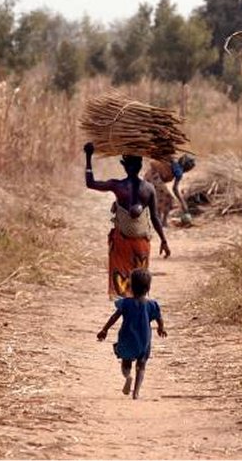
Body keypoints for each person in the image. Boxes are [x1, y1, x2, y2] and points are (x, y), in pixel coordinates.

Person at [84, 142, 170, 299]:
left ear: (124, 166)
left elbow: (90, 183)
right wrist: (164, 241)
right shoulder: (149, 188)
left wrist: (88, 156)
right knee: (139, 282)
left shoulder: (118, 186)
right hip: (141, 243)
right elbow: (155, 217)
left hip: (122, 242)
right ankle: (139, 311)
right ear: (139, 166)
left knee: (121, 281)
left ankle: (125, 312)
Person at [97, 268, 166, 399]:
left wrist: (104, 329)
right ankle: (136, 392)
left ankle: (128, 377)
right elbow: (159, 318)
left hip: (127, 336)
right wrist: (161, 328)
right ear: (148, 287)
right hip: (144, 338)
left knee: (126, 362)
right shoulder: (152, 304)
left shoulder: (125, 303)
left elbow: (114, 317)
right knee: (142, 364)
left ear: (131, 286)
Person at [143, 154, 196, 226]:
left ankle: (162, 221)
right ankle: (160, 221)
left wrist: (182, 202)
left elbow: (174, 188)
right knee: (166, 197)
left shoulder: (174, 165)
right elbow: (175, 189)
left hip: (149, 176)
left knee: (166, 198)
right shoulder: (177, 170)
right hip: (153, 178)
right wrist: (182, 202)